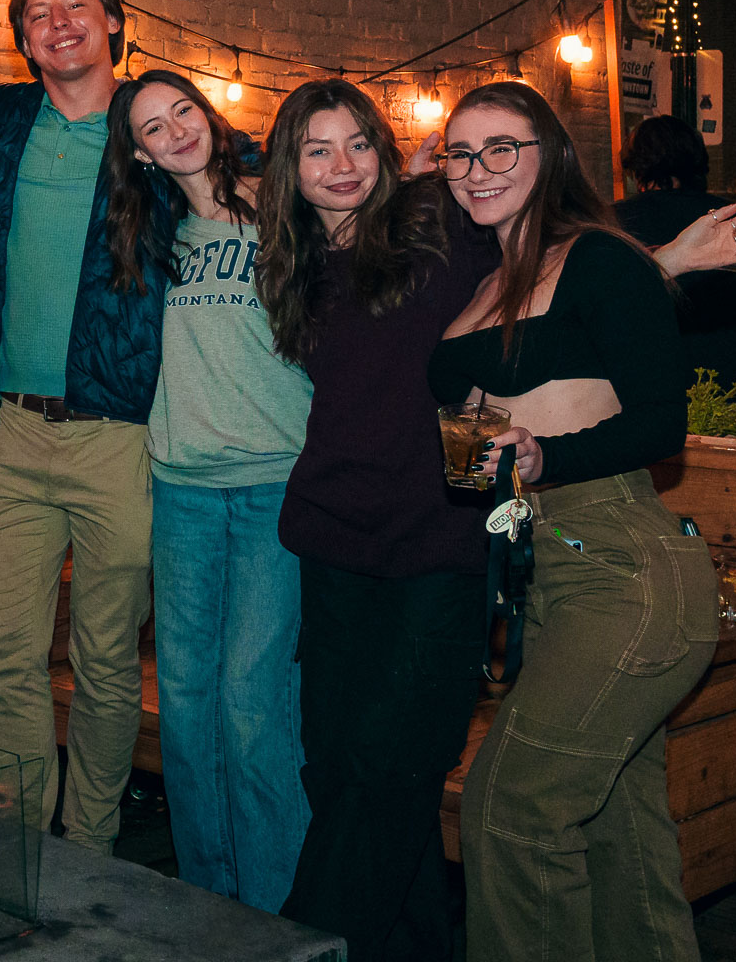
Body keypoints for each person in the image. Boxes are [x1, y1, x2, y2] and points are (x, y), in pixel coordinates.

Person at [430, 82, 719, 961]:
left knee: (508, 807)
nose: (478, 169)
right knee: (621, 837)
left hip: (621, 563)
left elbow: (660, 424)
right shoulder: (486, 281)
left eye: (501, 148)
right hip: (542, 566)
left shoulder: (598, 259)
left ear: (550, 153)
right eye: (459, 153)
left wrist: (546, 455)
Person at [255, 80, 495, 962]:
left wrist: (666, 260)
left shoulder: (437, 224)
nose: (342, 166)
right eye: (317, 150)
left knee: (392, 766)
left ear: (384, 151)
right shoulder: (294, 265)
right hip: (335, 539)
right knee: (340, 765)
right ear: (291, 169)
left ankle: (294, 947)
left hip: (441, 539)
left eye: (358, 143)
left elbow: (550, 262)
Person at [0, 0, 156, 852]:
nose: (58, 22)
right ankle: (22, 849)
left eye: (76, 5)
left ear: (112, 20)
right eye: (37, 13)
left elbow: (259, 179)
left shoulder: (153, 123)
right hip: (11, 433)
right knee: (4, 657)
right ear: (22, 42)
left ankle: (93, 851)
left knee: (107, 663)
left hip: (120, 437)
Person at [105, 69, 310, 910]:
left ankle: (277, 913)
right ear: (142, 155)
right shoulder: (149, 236)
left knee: (253, 706)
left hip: (274, 487)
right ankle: (208, 905)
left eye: (183, 110)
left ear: (210, 116)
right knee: (187, 710)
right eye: (153, 127)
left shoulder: (285, 208)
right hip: (182, 489)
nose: (175, 131)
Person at [614, 113, 736, 389]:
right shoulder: (734, 218)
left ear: (635, 165)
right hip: (730, 376)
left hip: (646, 378)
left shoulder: (612, 222)